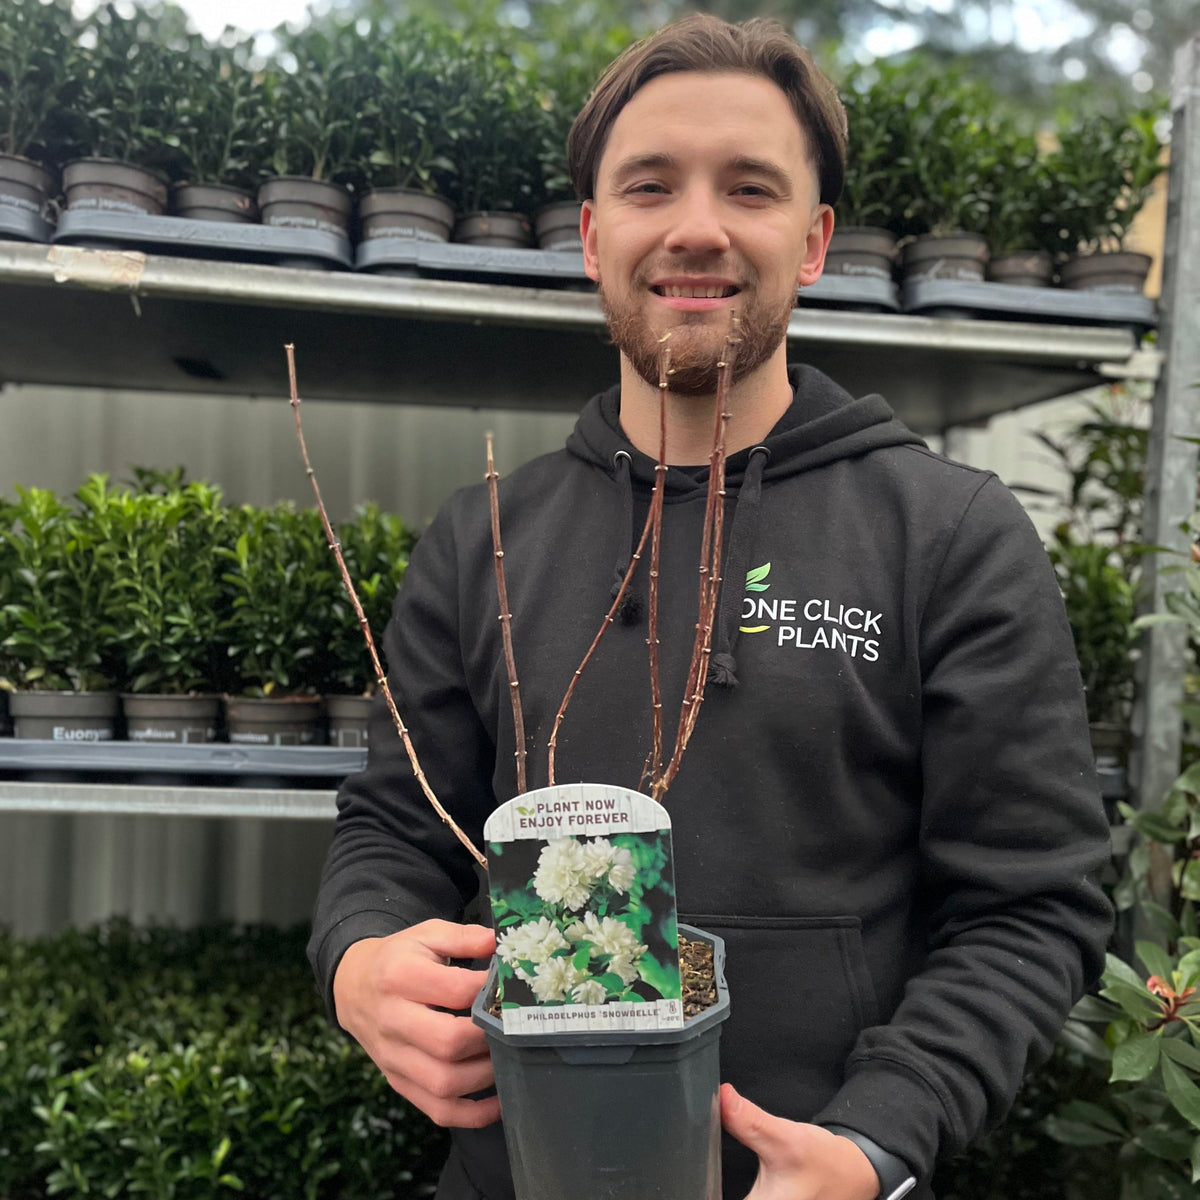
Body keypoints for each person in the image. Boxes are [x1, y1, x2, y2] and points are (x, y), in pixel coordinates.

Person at [308, 14, 1113, 1200]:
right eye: (650, 186)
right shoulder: (482, 535)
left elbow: (1032, 904)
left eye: (749, 187)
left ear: (815, 237)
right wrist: (360, 963)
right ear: (592, 235)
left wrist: (880, 1138)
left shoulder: (945, 536)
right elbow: (393, 829)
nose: (697, 227)